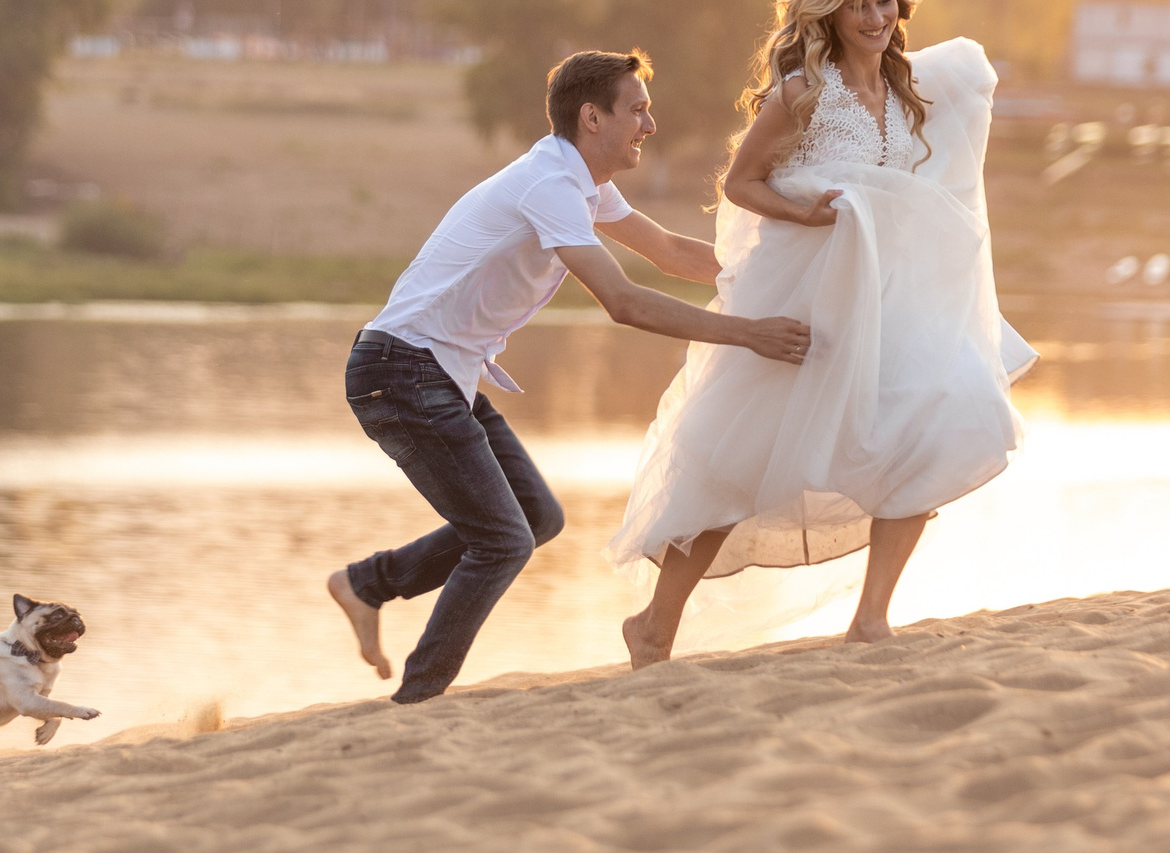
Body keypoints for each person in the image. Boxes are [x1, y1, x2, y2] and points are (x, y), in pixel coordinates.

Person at [328, 49, 815, 704]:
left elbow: (668, 252)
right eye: (637, 108)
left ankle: (368, 584)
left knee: (534, 517)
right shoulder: (550, 186)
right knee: (502, 540)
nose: (650, 122)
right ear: (593, 117)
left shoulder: (580, 180)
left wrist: (776, 269)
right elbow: (624, 301)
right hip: (404, 368)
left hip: (437, 371)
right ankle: (418, 701)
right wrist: (749, 332)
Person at [610, 0, 1034, 667]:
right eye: (857, 5)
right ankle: (654, 623)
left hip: (889, 294)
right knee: (740, 458)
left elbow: (937, 168)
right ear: (828, 13)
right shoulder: (803, 91)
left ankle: (871, 617)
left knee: (938, 417)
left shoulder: (908, 87)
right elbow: (740, 183)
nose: (875, 18)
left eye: (884, 1)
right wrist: (803, 209)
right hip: (805, 292)